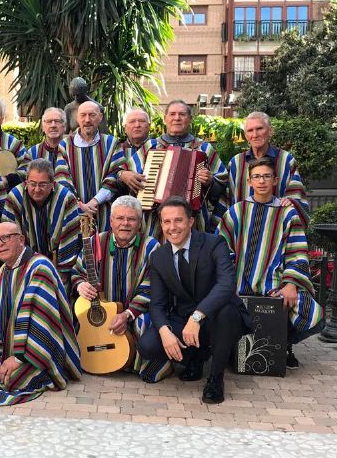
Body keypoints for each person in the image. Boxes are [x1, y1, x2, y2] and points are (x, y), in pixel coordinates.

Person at [137, 196, 252, 404]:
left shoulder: (214, 243)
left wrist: (197, 316)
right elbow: (157, 303)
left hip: (218, 314)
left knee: (226, 314)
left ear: (190, 222)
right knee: (148, 345)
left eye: (178, 220)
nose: (173, 227)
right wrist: (164, 332)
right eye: (166, 221)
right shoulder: (159, 257)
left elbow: (226, 286)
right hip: (184, 318)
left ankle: (216, 378)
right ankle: (196, 357)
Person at [217, 157, 324, 369]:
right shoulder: (236, 212)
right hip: (238, 282)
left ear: (275, 180)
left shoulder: (287, 213)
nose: (262, 181)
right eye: (257, 176)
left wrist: (291, 284)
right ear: (249, 181)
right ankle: (233, 350)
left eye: (267, 176)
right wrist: (228, 283)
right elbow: (221, 250)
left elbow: (297, 251)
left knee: (311, 312)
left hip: (275, 284)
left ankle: (283, 344)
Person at [0, 222, 81, 406]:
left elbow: (41, 320)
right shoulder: (1, 272)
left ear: (21, 239)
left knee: (15, 380)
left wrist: (18, 358)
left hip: (41, 348)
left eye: (6, 238)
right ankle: (3, 363)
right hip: (11, 344)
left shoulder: (39, 267)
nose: (0, 244)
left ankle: (25, 366)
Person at [72, 196, 168, 381]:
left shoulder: (151, 248)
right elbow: (78, 271)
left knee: (144, 326)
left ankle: (136, 364)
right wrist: (80, 285)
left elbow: (152, 288)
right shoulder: (95, 242)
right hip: (100, 315)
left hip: (136, 313)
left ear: (139, 223)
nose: (125, 223)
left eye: (131, 219)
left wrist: (127, 315)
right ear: (110, 221)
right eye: (120, 218)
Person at [122, 100, 229, 240]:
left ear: (190, 119)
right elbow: (122, 173)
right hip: (155, 221)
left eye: (182, 114)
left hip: (193, 220)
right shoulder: (151, 146)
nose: (177, 118)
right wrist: (124, 175)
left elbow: (222, 184)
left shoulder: (204, 148)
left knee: (193, 259)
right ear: (165, 119)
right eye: (172, 114)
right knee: (156, 257)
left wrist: (210, 181)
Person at [1, 159, 80, 290]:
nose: (37, 189)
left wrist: (62, 271)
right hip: (23, 264)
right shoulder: (15, 197)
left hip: (57, 264)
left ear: (52, 183)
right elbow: (7, 235)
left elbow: (70, 235)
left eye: (42, 184)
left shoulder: (66, 198)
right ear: (26, 181)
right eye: (32, 184)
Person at [227, 111, 309, 226]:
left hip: (276, 229)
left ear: (270, 131)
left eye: (259, 128)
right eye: (250, 131)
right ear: (246, 136)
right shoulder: (236, 162)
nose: (255, 135)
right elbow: (226, 199)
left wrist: (292, 202)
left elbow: (296, 196)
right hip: (243, 229)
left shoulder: (286, 160)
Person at [62, 101, 125, 232]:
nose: (87, 120)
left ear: (100, 117)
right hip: (73, 211)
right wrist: (79, 204)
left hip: (105, 212)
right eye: (83, 115)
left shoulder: (111, 143)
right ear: (77, 118)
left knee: (104, 248)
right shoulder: (64, 145)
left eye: (92, 115)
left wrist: (94, 202)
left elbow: (115, 175)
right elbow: (62, 178)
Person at [26, 107, 75, 192]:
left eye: (57, 121)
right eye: (49, 122)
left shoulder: (74, 150)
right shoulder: (32, 153)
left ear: (64, 126)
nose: (53, 125)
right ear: (43, 127)